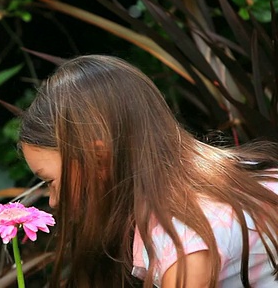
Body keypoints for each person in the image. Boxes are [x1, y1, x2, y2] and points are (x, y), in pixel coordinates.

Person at [18, 55, 278, 288]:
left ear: (97, 157)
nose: (53, 200)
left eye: (50, 181)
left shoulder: (182, 237)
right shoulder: (218, 178)